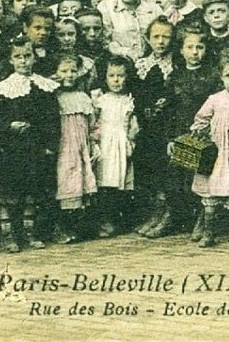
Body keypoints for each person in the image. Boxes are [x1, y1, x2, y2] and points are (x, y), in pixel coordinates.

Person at [0, 37, 60, 253]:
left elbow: (52, 118)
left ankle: (30, 233)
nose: (23, 61)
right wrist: (8, 125)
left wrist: (49, 143)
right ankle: (11, 235)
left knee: (33, 191)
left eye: (27, 56)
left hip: (35, 146)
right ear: (10, 60)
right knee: (11, 193)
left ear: (34, 58)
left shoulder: (44, 86)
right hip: (11, 148)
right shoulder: (2, 88)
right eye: (18, 57)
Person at [189, 54, 229, 249]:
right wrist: (201, 132)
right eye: (227, 75)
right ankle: (209, 232)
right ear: (221, 77)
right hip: (218, 152)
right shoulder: (215, 99)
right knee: (211, 192)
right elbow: (200, 118)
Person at [166, 26, 219, 244]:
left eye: (200, 47)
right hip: (181, 129)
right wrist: (171, 137)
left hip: (203, 132)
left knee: (201, 175)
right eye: (190, 47)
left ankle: (202, 218)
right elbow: (170, 109)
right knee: (177, 175)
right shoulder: (176, 75)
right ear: (181, 50)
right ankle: (175, 216)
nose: (195, 52)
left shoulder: (213, 76)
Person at [131, 17, 178, 239]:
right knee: (149, 169)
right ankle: (154, 213)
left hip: (167, 125)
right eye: (156, 37)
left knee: (165, 170)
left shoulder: (176, 64)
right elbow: (137, 95)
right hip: (147, 126)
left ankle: (168, 214)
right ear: (148, 39)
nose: (161, 41)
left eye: (166, 36)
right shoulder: (141, 65)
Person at [51, 53, 98, 244]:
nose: (69, 75)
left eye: (73, 71)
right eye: (64, 71)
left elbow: (93, 124)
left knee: (81, 180)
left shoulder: (83, 97)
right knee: (65, 181)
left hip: (81, 147)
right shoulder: (54, 96)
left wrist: (94, 141)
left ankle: (77, 227)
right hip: (64, 147)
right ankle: (60, 227)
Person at [91, 55, 139, 237]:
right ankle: (104, 220)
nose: (116, 80)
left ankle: (118, 219)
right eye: (112, 76)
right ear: (105, 77)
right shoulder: (100, 99)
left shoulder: (128, 100)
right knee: (104, 180)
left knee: (121, 181)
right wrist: (94, 140)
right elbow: (94, 122)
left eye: (121, 75)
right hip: (105, 142)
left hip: (121, 142)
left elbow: (130, 123)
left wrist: (131, 137)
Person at [98, 0, 163, 62]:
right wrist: (126, 52)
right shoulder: (106, 8)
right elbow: (105, 42)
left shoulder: (153, 8)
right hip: (119, 64)